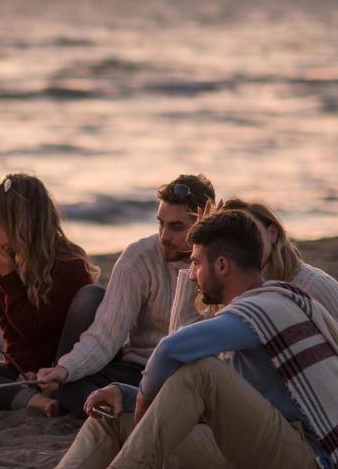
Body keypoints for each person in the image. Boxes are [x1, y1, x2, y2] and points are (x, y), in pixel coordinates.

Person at [0, 209, 338, 469]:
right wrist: (126, 393)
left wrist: (143, 407)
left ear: (223, 265)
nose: (191, 274)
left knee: (201, 370)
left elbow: (170, 350)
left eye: (196, 264)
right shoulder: (252, 315)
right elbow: (221, 394)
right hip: (251, 460)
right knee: (110, 410)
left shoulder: (266, 308)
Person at [34, 174, 218, 415]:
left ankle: (133, 411)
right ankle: (130, 409)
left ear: (204, 224)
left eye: (176, 227)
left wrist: (199, 261)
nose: (164, 236)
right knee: (71, 386)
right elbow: (106, 334)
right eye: (161, 223)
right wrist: (65, 369)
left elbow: (199, 344)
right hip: (139, 371)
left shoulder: (223, 264)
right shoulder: (139, 258)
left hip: (194, 374)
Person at [0, 173, 100, 412]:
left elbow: (38, 330)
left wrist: (10, 279)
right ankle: (33, 400)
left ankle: (41, 396)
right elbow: (11, 332)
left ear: (20, 223)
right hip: (32, 374)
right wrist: (24, 370)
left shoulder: (69, 264)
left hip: (66, 369)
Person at [170, 198, 338, 344]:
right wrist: (202, 253)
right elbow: (180, 339)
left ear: (272, 233)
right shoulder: (231, 286)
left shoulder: (313, 286)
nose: (242, 240)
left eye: (249, 231)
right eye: (232, 236)